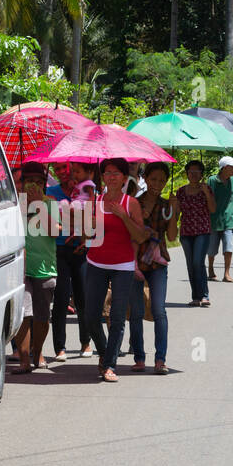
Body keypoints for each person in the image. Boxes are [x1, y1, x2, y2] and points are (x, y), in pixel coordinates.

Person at [83, 157, 149, 382]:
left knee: (118, 317)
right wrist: (88, 225)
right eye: (107, 172)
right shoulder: (95, 201)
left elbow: (140, 236)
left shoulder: (131, 203)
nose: (111, 176)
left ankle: (110, 365)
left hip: (123, 266)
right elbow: (87, 237)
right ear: (102, 177)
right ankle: (104, 353)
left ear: (124, 177)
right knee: (91, 316)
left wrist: (123, 215)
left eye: (115, 173)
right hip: (96, 263)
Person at [129, 162, 178, 374]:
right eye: (153, 179)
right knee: (137, 311)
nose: (157, 183)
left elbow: (173, 237)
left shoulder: (167, 205)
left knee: (159, 310)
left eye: (162, 180)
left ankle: (160, 360)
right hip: (136, 261)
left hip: (158, 263)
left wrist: (175, 212)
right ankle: (139, 358)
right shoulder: (134, 203)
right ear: (145, 179)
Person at [14, 163, 61, 372]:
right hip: (20, 268)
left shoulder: (50, 203)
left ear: (44, 184)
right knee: (23, 314)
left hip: (44, 267)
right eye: (29, 181)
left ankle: (38, 350)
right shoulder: (14, 204)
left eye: (38, 182)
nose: (33, 186)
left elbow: (55, 232)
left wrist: (39, 207)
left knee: (42, 317)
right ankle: (24, 360)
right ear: (22, 184)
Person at [47, 161, 94, 361]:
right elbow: (49, 223)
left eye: (65, 168)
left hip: (82, 249)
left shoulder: (87, 189)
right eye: (56, 169)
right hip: (58, 249)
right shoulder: (51, 192)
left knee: (84, 297)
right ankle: (60, 348)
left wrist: (84, 234)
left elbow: (93, 220)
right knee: (61, 297)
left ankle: (86, 342)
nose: (61, 173)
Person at [173, 160, 215, 306]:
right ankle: (196, 297)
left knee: (198, 262)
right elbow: (177, 213)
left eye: (197, 171)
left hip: (202, 231)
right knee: (191, 265)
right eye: (191, 171)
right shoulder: (181, 191)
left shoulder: (207, 189)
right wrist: (173, 205)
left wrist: (206, 194)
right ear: (187, 173)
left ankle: (204, 295)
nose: (193, 174)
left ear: (201, 174)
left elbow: (213, 209)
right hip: (186, 232)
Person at [207, 156, 233, 282]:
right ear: (225, 168)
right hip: (214, 220)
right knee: (212, 249)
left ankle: (227, 273)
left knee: (228, 248)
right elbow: (208, 200)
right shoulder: (212, 181)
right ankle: (210, 268)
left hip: (228, 220)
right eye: (232, 167)